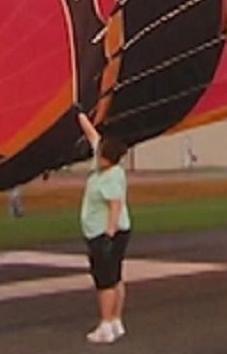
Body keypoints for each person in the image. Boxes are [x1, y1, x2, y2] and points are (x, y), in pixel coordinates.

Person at [76, 112, 132, 344]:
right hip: (111, 232)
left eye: (100, 155)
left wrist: (108, 235)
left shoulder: (110, 177)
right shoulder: (106, 165)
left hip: (106, 234)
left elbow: (115, 207)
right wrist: (79, 114)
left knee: (105, 281)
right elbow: (92, 135)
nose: (96, 156)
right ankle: (116, 321)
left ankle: (106, 324)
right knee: (116, 277)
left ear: (108, 159)